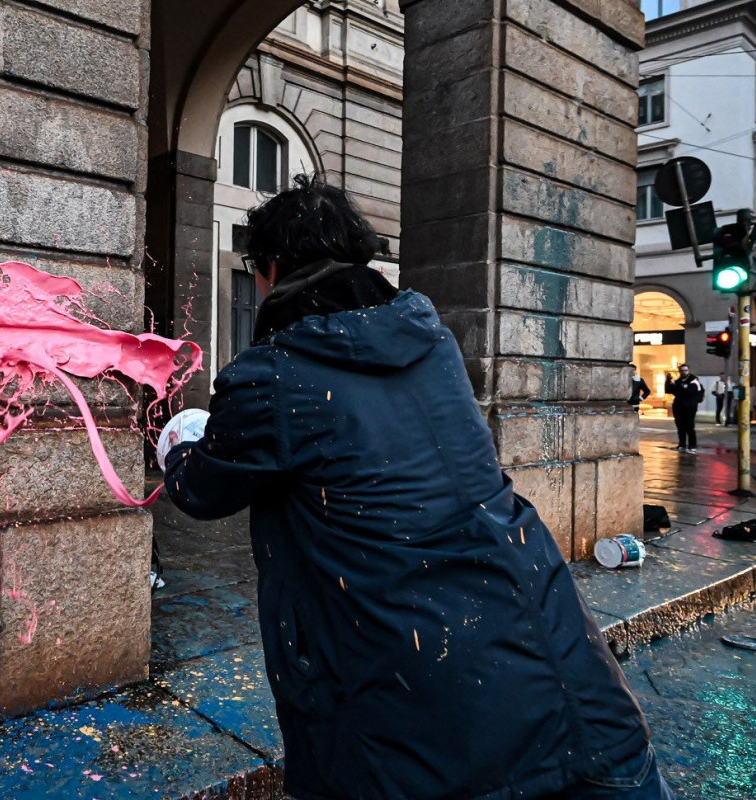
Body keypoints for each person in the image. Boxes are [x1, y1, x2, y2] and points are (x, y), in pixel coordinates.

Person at [159, 177, 668, 800]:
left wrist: (182, 440)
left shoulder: (273, 375)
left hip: (414, 726)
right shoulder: (432, 344)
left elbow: (202, 490)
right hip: (566, 688)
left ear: (268, 268)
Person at [668, 364, 704, 452]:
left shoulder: (693, 380)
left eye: (686, 370)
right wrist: (668, 380)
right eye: (682, 370)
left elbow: (692, 392)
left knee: (689, 426)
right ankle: (682, 444)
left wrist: (682, 388)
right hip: (678, 407)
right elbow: (670, 390)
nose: (684, 372)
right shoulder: (678, 381)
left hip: (689, 407)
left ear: (688, 371)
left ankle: (692, 445)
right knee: (680, 427)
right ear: (679, 371)